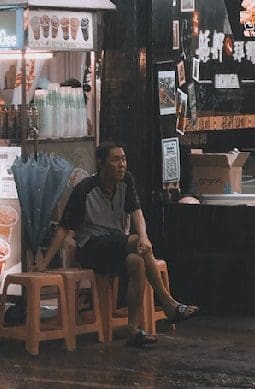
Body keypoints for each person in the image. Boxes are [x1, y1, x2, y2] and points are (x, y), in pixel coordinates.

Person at [35, 141, 198, 348]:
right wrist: (45, 262)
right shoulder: (84, 189)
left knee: (136, 262)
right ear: (101, 163)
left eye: (124, 159)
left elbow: (137, 212)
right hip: (91, 248)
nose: (122, 164)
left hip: (118, 245)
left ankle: (133, 330)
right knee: (135, 243)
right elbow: (64, 228)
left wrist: (144, 236)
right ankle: (168, 302)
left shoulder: (127, 181)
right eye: (115, 160)